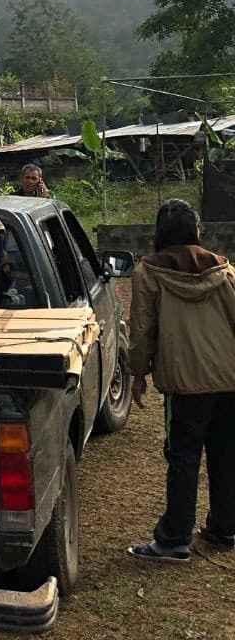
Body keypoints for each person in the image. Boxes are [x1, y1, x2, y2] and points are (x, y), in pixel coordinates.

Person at [127, 199, 235, 561]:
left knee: (183, 458)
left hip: (184, 385)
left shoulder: (149, 272)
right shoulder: (223, 270)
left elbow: (142, 329)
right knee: (225, 455)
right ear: (195, 231)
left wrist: (137, 372)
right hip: (229, 380)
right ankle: (224, 528)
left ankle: (174, 539)